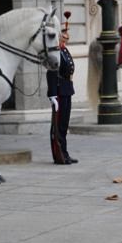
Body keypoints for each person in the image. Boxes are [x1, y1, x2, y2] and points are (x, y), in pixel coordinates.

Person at [47, 11, 77, 165]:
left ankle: (65, 152)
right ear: (59, 37)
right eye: (64, 36)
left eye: (66, 36)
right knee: (58, 126)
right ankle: (58, 154)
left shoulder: (64, 50)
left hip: (67, 89)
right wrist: (52, 94)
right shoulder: (56, 52)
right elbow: (51, 72)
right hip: (59, 90)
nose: (66, 38)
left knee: (64, 124)